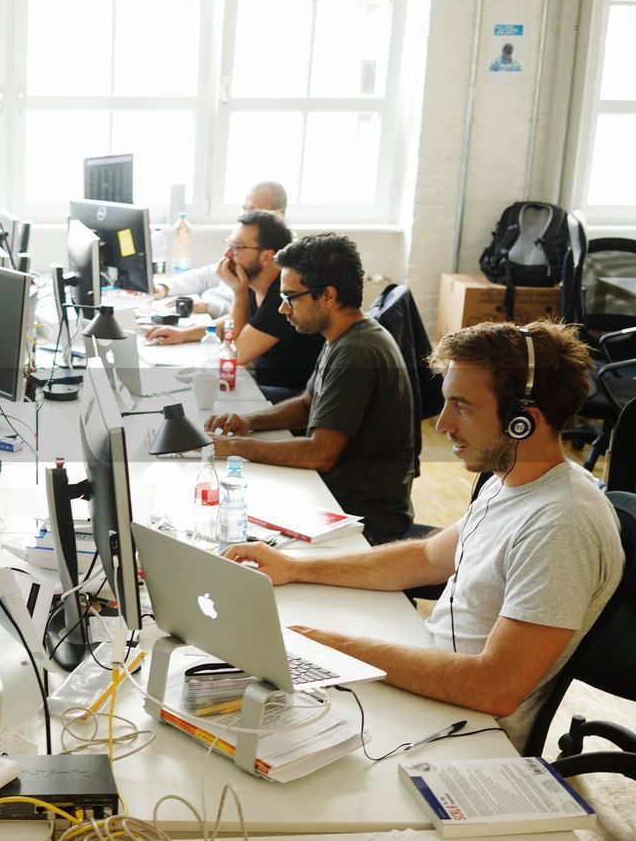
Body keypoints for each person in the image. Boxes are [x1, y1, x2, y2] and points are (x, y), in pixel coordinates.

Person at [221, 321, 623, 751]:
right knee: (238, 702)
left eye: (462, 407)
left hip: (469, 735)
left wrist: (335, 647)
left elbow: (494, 688)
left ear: (524, 420)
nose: (443, 423)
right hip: (429, 686)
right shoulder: (509, 479)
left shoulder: (562, 524)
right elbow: (427, 558)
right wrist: (295, 568)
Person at [204, 233, 415, 544]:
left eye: (290, 298)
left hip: (361, 519)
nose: (282, 309)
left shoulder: (357, 351)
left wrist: (236, 448)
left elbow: (320, 454)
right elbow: (307, 404)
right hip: (336, 497)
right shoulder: (343, 336)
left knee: (225, 527)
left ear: (327, 296)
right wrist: (249, 423)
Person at [144, 211, 323, 401]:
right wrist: (183, 335)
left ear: (267, 256)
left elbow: (235, 354)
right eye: (229, 245)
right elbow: (234, 322)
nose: (227, 255)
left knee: (203, 394)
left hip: (293, 396)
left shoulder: (282, 298)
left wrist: (239, 293)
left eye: (237, 248)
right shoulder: (257, 283)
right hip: (262, 380)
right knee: (188, 385)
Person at [151, 180, 288, 311]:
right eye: (244, 209)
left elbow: (250, 315)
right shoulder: (243, 243)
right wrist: (165, 287)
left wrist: (208, 307)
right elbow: (205, 277)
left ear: (279, 214)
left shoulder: (270, 258)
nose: (245, 216)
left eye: (253, 211)